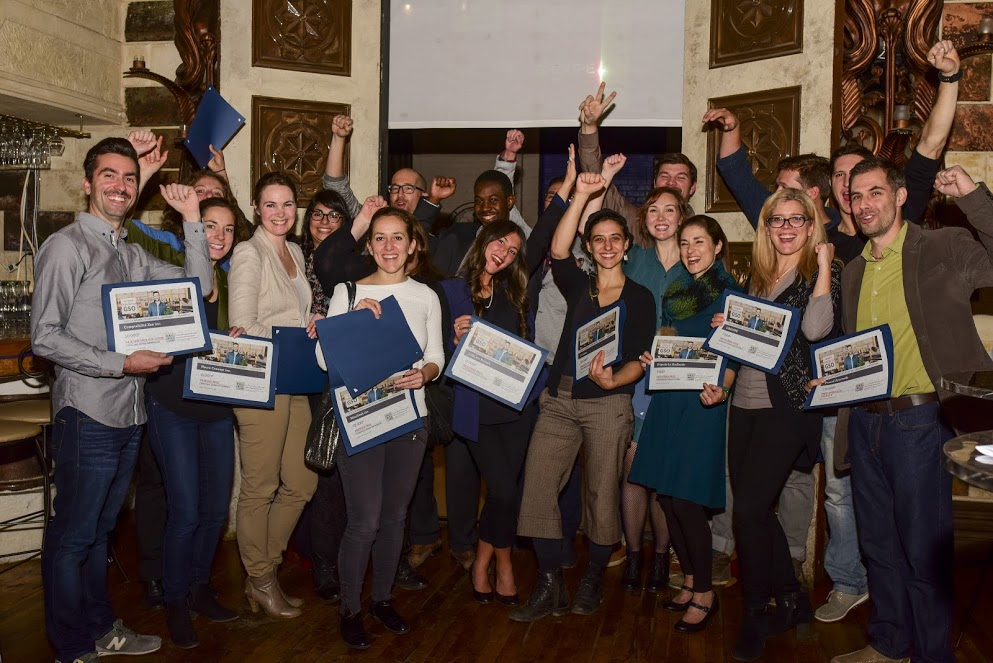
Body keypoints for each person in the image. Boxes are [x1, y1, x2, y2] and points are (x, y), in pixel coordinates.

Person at [705, 39, 962, 624]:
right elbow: (747, 187)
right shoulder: (802, 232)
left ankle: (858, 590)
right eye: (844, 178)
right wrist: (733, 132)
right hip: (811, 390)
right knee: (834, 492)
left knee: (859, 498)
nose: (853, 190)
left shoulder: (881, 226)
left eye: (860, 180)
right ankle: (841, 583)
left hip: (874, 391)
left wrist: (948, 80)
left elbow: (928, 149)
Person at [31, 137, 213, 663]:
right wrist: (122, 363)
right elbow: (44, 337)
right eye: (108, 175)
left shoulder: (131, 253)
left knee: (100, 533)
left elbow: (199, 287)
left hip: (129, 413)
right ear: (86, 183)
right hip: (87, 410)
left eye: (130, 178)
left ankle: (100, 629)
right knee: (73, 536)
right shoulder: (67, 246)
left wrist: (193, 217)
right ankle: (70, 646)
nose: (120, 185)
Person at [824, 162, 993, 663]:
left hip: (921, 422)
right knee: (878, 546)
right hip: (864, 422)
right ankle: (888, 644)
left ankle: (932, 654)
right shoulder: (854, 270)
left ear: (900, 197)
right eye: (856, 196)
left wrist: (973, 196)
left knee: (923, 551)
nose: (864, 204)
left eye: (875, 192)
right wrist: (832, 378)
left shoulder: (944, 246)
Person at [512, 173, 655, 622]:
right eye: (598, 239)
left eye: (615, 239)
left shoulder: (640, 298)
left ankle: (593, 575)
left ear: (626, 246)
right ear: (589, 247)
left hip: (608, 404)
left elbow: (638, 360)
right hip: (559, 399)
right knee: (538, 486)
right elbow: (557, 250)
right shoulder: (578, 284)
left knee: (600, 493)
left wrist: (615, 381)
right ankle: (549, 582)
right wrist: (580, 195)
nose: (607, 246)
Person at [717, 188, 841, 661]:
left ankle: (755, 612)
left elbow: (814, 330)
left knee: (748, 512)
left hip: (785, 409)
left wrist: (824, 264)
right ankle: (791, 599)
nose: (786, 228)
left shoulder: (820, 274)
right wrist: (726, 326)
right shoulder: (757, 277)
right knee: (757, 510)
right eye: (777, 220)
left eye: (796, 219)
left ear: (811, 227)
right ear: (766, 228)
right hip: (744, 406)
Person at [440, 162, 567, 606]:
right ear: (484, 241)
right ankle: (503, 563)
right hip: (477, 411)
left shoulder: (519, 293)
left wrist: (571, 185)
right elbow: (433, 350)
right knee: (504, 491)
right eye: (500, 243)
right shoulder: (452, 291)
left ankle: (484, 560)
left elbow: (546, 232)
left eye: (514, 251)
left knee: (504, 494)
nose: (506, 253)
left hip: (517, 409)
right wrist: (452, 337)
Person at [320, 206, 445, 649]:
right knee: (365, 520)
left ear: (412, 245)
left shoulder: (426, 295)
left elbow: (436, 355)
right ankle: (350, 609)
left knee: (395, 517)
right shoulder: (348, 292)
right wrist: (353, 322)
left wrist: (425, 374)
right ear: (369, 246)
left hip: (410, 418)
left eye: (397, 238)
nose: (389, 246)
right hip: (362, 420)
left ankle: (382, 599)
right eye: (380, 238)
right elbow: (324, 361)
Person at [138, 196, 247, 647]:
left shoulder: (233, 279)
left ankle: (200, 588)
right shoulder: (170, 271)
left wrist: (239, 336)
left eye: (228, 228)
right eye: (210, 226)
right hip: (171, 402)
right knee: (184, 510)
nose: (219, 235)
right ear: (191, 230)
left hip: (216, 405)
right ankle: (176, 601)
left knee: (215, 510)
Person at [629, 215, 742, 633]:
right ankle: (691, 579)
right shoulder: (677, 291)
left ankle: (706, 593)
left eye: (699, 242)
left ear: (717, 246)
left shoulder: (730, 292)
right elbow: (672, 338)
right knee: (667, 497)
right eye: (685, 243)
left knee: (688, 500)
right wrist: (655, 356)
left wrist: (723, 390)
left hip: (702, 402)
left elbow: (735, 352)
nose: (691, 250)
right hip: (668, 397)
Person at [228, 172, 322, 619]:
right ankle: (262, 579)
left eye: (288, 204)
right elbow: (243, 326)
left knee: (303, 481)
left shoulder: (296, 252)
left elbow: (295, 312)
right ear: (255, 208)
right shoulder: (249, 252)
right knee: (260, 486)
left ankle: (263, 567)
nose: (281, 213)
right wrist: (295, 336)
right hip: (261, 381)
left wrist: (312, 322)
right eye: (271, 204)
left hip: (294, 379)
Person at [576, 82, 698, 230]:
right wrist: (589, 126)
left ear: (692, 187)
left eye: (680, 178)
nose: (671, 182)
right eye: (665, 176)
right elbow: (598, 181)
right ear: (654, 183)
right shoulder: (639, 226)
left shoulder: (703, 232)